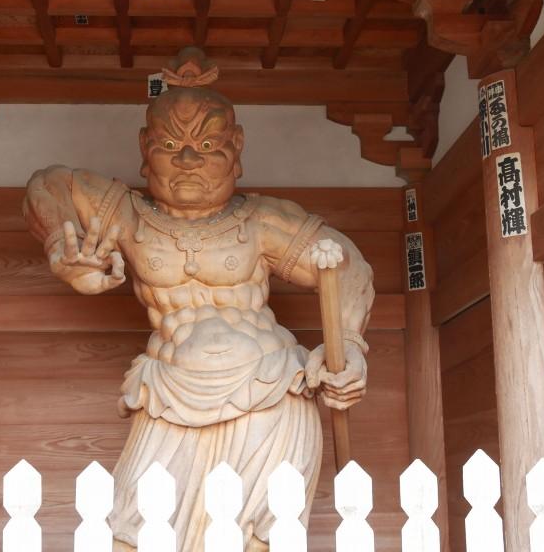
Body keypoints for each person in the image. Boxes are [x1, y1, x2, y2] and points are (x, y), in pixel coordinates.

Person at [24, 46, 374, 552]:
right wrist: (62, 244)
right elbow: (48, 185)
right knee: (131, 534)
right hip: (170, 396)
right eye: (170, 144)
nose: (188, 161)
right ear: (144, 149)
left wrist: (351, 346)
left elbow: (348, 266)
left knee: (257, 542)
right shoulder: (129, 214)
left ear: (237, 148)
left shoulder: (260, 220)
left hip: (269, 393)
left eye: (208, 145)